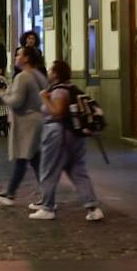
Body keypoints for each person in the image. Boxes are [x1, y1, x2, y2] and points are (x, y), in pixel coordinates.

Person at [31, 60, 104, 222]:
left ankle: (47, 207)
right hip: (75, 136)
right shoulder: (72, 88)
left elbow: (57, 112)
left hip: (58, 134)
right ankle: (93, 207)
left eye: (51, 70)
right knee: (78, 171)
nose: (48, 73)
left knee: (49, 170)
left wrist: (44, 98)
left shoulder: (59, 91)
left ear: (56, 74)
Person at [0, 47, 49, 208]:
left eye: (19, 55)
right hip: (38, 120)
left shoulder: (23, 77)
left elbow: (16, 102)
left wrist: (1, 94)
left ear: (26, 59)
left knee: (23, 157)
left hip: (27, 122)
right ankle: (47, 197)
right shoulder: (39, 75)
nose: (15, 57)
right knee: (34, 160)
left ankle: (10, 193)